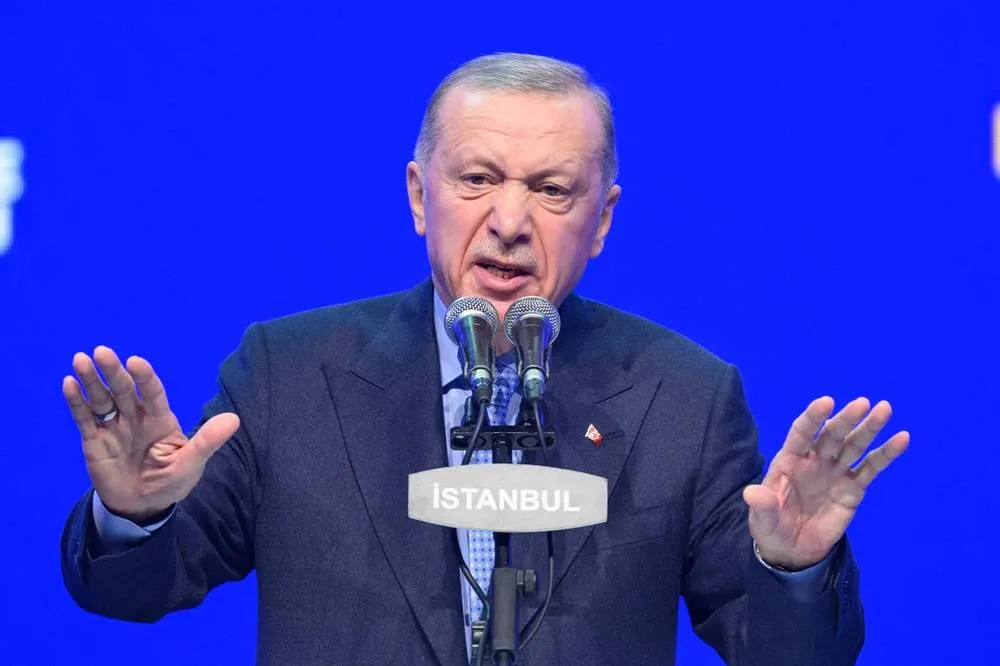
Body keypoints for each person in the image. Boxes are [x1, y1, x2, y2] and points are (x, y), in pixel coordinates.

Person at [60, 53, 909, 665]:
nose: (508, 221)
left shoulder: (683, 396)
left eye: (551, 189)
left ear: (603, 219)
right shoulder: (290, 372)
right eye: (476, 180)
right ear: (419, 196)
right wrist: (135, 514)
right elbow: (133, 593)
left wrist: (791, 564)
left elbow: (785, 653)